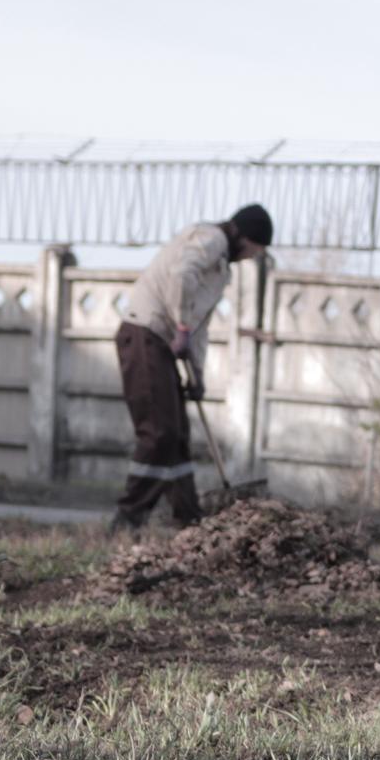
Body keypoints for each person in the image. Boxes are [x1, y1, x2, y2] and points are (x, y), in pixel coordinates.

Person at [112, 204, 272, 532]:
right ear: (244, 235)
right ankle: (128, 518)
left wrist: (196, 373)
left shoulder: (221, 270)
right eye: (256, 248)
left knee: (178, 436)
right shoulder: (210, 238)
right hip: (145, 334)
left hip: (162, 345)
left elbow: (199, 327)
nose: (254, 256)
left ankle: (188, 519)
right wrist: (182, 327)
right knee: (159, 433)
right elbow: (181, 276)